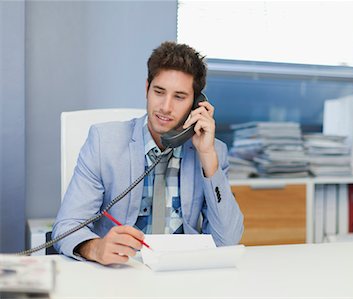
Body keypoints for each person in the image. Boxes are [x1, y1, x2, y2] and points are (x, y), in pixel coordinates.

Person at [52, 41, 244, 265]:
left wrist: (208, 158)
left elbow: (228, 240)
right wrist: (96, 248)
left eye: (179, 97)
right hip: (121, 272)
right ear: (147, 88)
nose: (165, 107)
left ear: (196, 104)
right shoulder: (104, 142)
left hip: (182, 273)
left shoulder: (212, 151)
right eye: (159, 92)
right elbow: (66, 227)